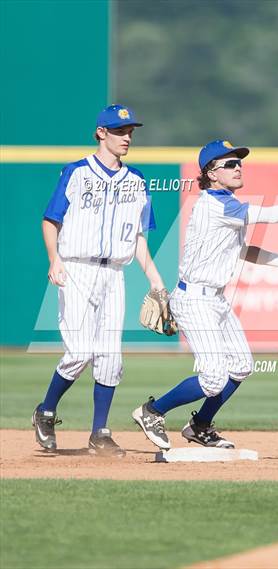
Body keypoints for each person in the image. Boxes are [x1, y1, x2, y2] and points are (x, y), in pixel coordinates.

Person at [132, 139, 278, 450]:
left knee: (241, 365)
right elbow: (274, 215)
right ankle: (152, 411)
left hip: (215, 299)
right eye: (230, 164)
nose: (238, 167)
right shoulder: (217, 204)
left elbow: (242, 250)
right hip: (195, 299)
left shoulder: (226, 207)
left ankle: (200, 425)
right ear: (211, 173)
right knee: (212, 378)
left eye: (239, 162)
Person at [32, 104, 165, 457]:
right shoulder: (76, 173)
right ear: (101, 133)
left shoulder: (137, 181)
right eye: (119, 131)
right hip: (76, 268)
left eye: (130, 131)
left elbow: (138, 239)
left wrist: (155, 280)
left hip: (114, 274)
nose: (127, 137)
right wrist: (54, 259)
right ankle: (45, 411)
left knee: (110, 358)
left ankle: (99, 433)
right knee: (80, 352)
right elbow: (50, 221)